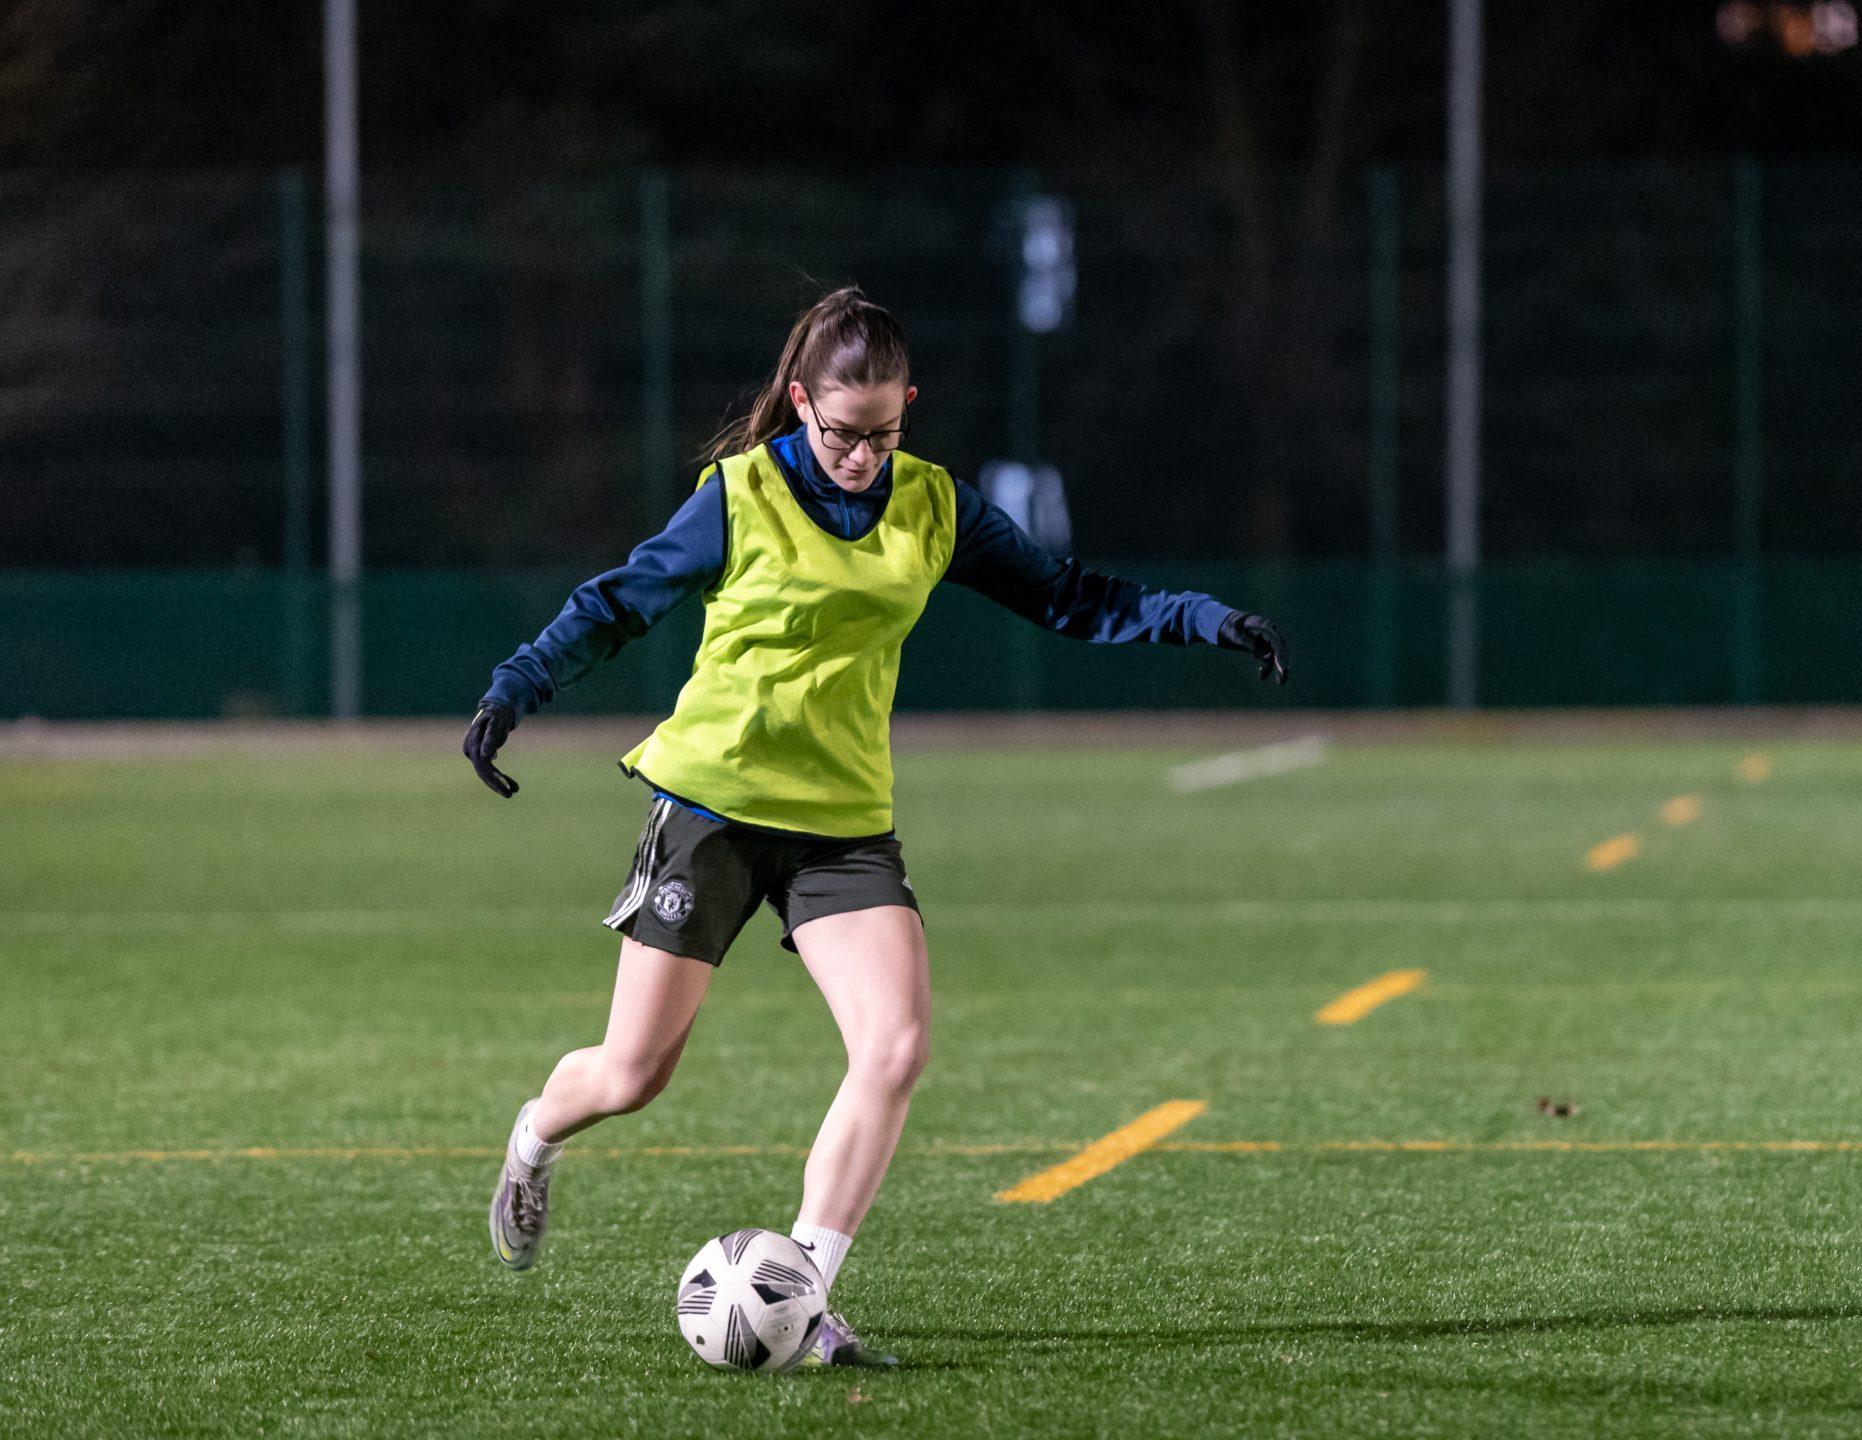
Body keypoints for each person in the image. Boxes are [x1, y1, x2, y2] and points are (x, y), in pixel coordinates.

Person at [466, 285, 1287, 1367]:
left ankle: (800, 1299)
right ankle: (534, 1137)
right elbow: (616, 602)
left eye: (885, 433)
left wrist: (1202, 620)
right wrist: (514, 689)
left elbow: (1069, 597)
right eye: (844, 433)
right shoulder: (738, 494)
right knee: (631, 1076)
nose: (862, 455)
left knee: (894, 1048)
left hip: (841, 824)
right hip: (712, 804)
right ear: (801, 402)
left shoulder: (933, 504)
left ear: (908, 408)